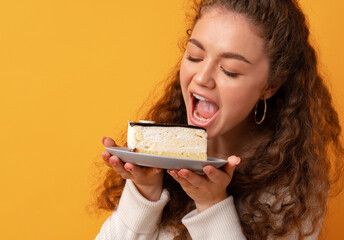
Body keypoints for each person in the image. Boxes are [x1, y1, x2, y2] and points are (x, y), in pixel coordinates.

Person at [94, 0, 344, 239]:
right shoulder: (163, 151)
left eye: (230, 70)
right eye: (194, 56)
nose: (202, 77)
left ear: (271, 85)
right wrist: (144, 191)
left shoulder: (292, 188)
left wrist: (211, 204)